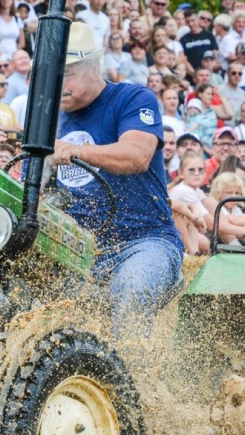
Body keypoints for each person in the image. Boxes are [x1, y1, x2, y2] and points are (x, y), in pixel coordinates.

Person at [52, 21, 184, 337]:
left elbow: (136, 156)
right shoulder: (46, 116)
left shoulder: (134, 98)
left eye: (68, 72)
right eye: (54, 75)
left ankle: (132, 381)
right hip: (77, 247)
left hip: (143, 239)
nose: (60, 83)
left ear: (94, 66)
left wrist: (75, 150)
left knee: (133, 290)